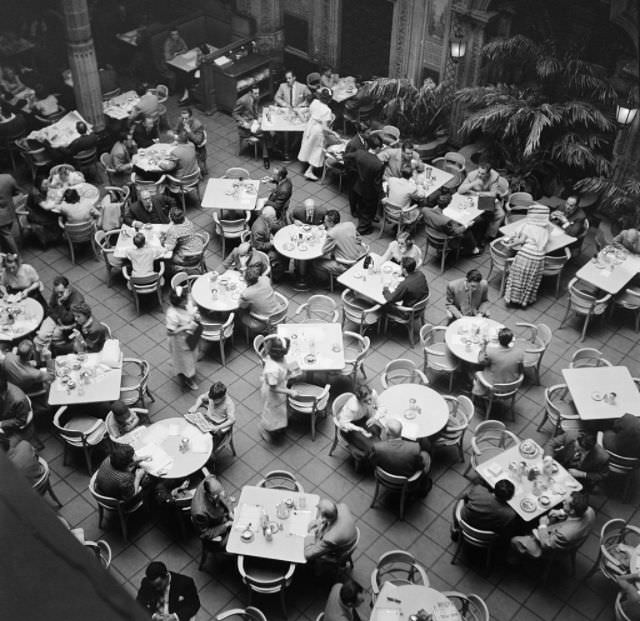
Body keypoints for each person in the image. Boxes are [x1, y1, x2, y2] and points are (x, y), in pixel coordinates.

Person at [510, 492, 595, 559]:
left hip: (553, 548)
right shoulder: (589, 510)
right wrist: (562, 511)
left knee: (514, 540)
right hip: (572, 535)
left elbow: (546, 544)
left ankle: (515, 558)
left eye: (566, 503)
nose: (563, 501)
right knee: (549, 517)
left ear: (572, 511)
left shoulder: (564, 534)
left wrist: (542, 525)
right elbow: (573, 513)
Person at [503, 205, 551, 308]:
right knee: (530, 279)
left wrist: (509, 245)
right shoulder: (547, 228)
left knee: (517, 278)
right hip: (539, 258)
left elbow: (520, 241)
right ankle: (524, 301)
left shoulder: (529, 227)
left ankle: (511, 299)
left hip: (526, 254)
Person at [371, 419, 432, 495]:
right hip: (407, 481)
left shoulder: (378, 447)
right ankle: (423, 486)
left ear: (387, 432)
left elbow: (373, 462)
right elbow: (420, 466)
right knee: (426, 455)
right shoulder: (414, 448)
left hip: (384, 478)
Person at [458, 159, 509, 241]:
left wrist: (478, 194)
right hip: (472, 200)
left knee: (501, 214)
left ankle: (488, 236)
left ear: (488, 173)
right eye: (479, 172)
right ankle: (469, 236)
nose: (479, 175)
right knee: (475, 218)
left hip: (486, 199)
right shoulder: (472, 175)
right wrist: (473, 184)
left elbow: (493, 194)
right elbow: (460, 190)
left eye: (482, 173)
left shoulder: (494, 177)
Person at [258, 336, 298, 442]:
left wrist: (289, 370)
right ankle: (265, 428)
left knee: (280, 411)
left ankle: (278, 426)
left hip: (280, 388)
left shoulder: (278, 358)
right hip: (273, 393)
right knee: (271, 413)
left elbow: (283, 364)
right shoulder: (272, 370)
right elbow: (273, 388)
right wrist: (289, 391)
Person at [343, 133, 384, 235]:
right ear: (378, 148)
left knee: (361, 206)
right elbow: (377, 183)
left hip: (358, 186)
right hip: (370, 192)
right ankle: (362, 229)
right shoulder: (378, 164)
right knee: (368, 210)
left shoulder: (359, 153)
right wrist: (382, 194)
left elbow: (346, 156)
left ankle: (362, 220)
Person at [136, 561, 200, 621]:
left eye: (159, 584)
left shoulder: (185, 583)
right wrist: (154, 615)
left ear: (166, 576)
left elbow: (194, 604)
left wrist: (175, 616)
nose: (157, 588)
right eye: (154, 586)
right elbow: (140, 601)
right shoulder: (146, 583)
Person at [34, 276, 85, 352]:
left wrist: (60, 303)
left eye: (61, 292)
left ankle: (53, 351)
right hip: (55, 317)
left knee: (53, 338)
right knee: (40, 337)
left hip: (67, 324)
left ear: (68, 288)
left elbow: (68, 319)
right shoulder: (58, 291)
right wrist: (57, 317)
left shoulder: (77, 300)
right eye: (57, 292)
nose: (58, 295)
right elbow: (51, 306)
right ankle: (42, 356)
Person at [312, 209, 364, 280]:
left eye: (325, 221)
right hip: (359, 257)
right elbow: (358, 238)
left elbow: (324, 251)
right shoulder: (350, 224)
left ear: (331, 223)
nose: (324, 223)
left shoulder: (332, 234)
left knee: (316, 263)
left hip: (346, 264)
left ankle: (326, 282)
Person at [472, 327, 524, 397]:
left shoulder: (491, 351)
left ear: (498, 339)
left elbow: (481, 360)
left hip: (494, 386)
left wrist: (484, 346)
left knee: (475, 370)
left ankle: (478, 391)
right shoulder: (519, 353)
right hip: (512, 384)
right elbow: (521, 369)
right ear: (511, 340)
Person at [166, 287, 199, 391]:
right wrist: (185, 327)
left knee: (193, 355)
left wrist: (195, 316)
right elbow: (170, 332)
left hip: (192, 335)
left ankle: (180, 365)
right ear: (178, 303)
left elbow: (191, 309)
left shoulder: (186, 302)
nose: (187, 300)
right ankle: (188, 379)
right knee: (186, 362)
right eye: (185, 299)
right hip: (181, 341)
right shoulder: (172, 314)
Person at [337, 383, 383, 455]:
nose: (369, 402)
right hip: (350, 427)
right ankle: (356, 449)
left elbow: (381, 406)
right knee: (369, 446)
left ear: (371, 393)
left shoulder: (373, 393)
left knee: (376, 430)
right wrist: (360, 429)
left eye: (370, 399)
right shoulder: (353, 407)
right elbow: (342, 423)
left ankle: (376, 448)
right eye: (365, 401)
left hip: (362, 418)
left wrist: (374, 418)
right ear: (359, 400)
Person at [298, 87, 334, 181]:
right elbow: (325, 128)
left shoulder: (315, 102)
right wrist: (334, 133)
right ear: (329, 99)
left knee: (308, 144)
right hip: (318, 130)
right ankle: (309, 171)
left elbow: (311, 113)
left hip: (310, 126)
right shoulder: (327, 111)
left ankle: (306, 164)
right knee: (317, 149)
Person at [188, 381, 236, 447]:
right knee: (192, 433)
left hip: (218, 424)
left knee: (208, 445)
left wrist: (218, 427)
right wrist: (195, 406)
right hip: (208, 418)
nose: (212, 401)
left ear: (222, 397)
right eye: (211, 399)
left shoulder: (229, 404)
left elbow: (232, 420)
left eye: (215, 400)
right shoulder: (213, 395)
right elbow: (201, 398)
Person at [233, 85, 270, 168]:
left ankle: (267, 150)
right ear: (250, 93)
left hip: (253, 121)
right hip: (245, 126)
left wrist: (259, 117)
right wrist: (244, 123)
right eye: (255, 93)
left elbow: (255, 110)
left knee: (266, 127)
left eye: (258, 93)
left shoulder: (256, 98)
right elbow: (234, 113)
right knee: (264, 131)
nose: (257, 95)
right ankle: (266, 155)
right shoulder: (242, 100)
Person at [190, 474, 233, 545]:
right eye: (218, 495)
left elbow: (223, 496)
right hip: (216, 526)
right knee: (235, 542)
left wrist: (230, 510)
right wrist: (226, 525)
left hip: (221, 514)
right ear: (210, 496)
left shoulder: (211, 479)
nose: (222, 494)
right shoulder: (199, 512)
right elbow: (205, 533)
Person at [238, 264, 281, 334]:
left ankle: (245, 331)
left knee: (241, 311)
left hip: (265, 319)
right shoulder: (265, 279)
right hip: (278, 311)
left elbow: (242, 306)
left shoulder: (246, 294)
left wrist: (242, 297)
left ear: (246, 280)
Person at [250, 205, 284, 281]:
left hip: (266, 241)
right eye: (273, 217)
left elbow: (268, 229)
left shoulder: (264, 219)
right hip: (261, 252)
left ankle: (281, 270)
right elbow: (258, 246)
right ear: (267, 217)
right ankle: (276, 277)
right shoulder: (260, 229)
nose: (275, 219)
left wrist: (270, 235)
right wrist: (271, 243)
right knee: (277, 256)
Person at [174, 108, 207, 177]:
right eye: (182, 118)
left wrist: (189, 131)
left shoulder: (197, 125)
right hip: (184, 144)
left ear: (191, 117)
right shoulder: (180, 120)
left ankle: (201, 173)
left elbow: (198, 141)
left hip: (196, 148)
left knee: (202, 169)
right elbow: (176, 130)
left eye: (186, 118)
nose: (184, 121)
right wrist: (176, 139)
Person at [163, 29, 190, 103]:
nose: (175, 36)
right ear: (170, 36)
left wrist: (177, 53)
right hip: (170, 65)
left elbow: (186, 49)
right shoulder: (168, 43)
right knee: (184, 73)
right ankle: (185, 92)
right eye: (173, 34)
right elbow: (167, 58)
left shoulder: (180, 39)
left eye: (177, 34)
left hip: (180, 61)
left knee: (187, 71)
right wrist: (175, 55)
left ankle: (187, 90)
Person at [0, 173, 20, 255]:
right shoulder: (8, 177)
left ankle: (17, 258)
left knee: (7, 237)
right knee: (6, 236)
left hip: (1, 218)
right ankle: (7, 255)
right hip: (10, 212)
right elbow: (17, 192)